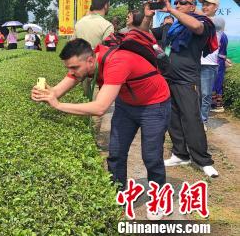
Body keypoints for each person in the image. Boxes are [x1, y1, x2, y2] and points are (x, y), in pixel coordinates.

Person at [31, 37, 170, 213]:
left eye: (74, 68)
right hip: (127, 105)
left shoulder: (117, 62)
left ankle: (158, 200)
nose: (72, 72)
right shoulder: (86, 64)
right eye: (68, 68)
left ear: (90, 60)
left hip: (154, 104)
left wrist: (58, 105)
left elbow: (100, 108)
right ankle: (118, 194)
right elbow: (57, 90)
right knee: (116, 153)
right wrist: (46, 94)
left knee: (151, 156)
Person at [147, 0, 219, 178]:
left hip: (187, 78)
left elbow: (196, 27)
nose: (178, 4)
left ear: (193, 7)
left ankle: (203, 160)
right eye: (176, 2)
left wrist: (171, 10)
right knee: (172, 116)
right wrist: (148, 16)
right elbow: (149, 34)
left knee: (191, 118)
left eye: (182, 3)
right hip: (168, 76)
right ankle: (180, 154)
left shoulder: (203, 22)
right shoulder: (174, 26)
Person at [197, 0, 221, 130]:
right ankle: (193, 119)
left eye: (208, 5)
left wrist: (192, 9)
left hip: (209, 64)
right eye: (203, 4)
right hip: (194, 61)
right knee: (194, 94)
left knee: (205, 94)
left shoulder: (219, 21)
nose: (205, 7)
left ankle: (203, 120)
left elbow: (209, 22)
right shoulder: (198, 20)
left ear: (216, 7)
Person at [212, 17, 228, 113]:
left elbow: (220, 50)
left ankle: (218, 105)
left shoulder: (220, 36)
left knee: (216, 82)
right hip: (218, 60)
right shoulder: (221, 35)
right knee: (215, 82)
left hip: (218, 61)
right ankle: (214, 104)